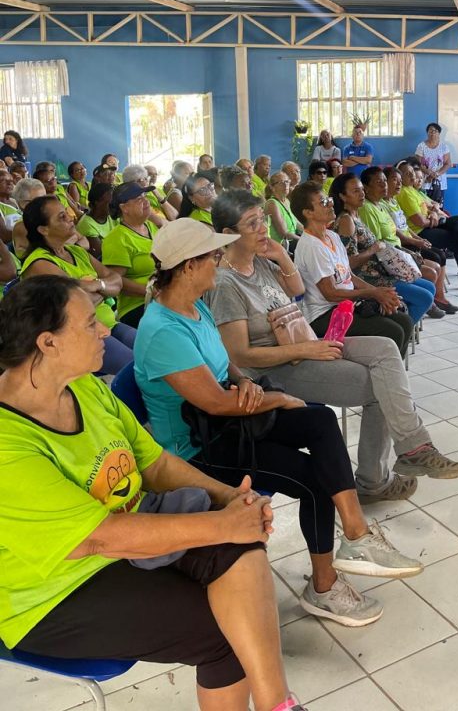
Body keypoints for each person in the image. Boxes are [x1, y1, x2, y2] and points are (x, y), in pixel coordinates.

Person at [0, 275, 310, 711]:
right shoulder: (8, 443)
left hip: (125, 541)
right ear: (48, 343)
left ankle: (278, 704)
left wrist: (229, 499)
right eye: (89, 323)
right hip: (53, 592)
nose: (104, 329)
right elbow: (97, 538)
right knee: (220, 633)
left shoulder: (83, 387)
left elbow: (155, 464)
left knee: (240, 544)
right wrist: (223, 522)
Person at [135, 218, 423, 627]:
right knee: (314, 479)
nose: (218, 262)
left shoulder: (196, 306)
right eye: (212, 256)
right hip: (200, 448)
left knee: (319, 420)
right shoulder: (163, 330)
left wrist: (242, 381)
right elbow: (215, 404)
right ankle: (325, 585)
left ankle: (356, 535)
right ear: (187, 267)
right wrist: (278, 397)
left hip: (232, 424)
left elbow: (225, 365)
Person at [206, 190, 458, 495]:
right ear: (229, 234)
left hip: (302, 343)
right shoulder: (225, 284)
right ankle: (376, 481)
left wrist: (281, 255)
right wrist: (307, 349)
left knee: (385, 348)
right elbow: (240, 355)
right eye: (252, 224)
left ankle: (413, 449)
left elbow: (295, 288)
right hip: (274, 369)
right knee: (379, 388)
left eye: (262, 220)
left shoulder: (259, 262)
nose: (263, 228)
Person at [289, 181, 414, 357]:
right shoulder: (312, 246)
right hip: (324, 314)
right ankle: (380, 370)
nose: (331, 204)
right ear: (308, 213)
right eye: (323, 203)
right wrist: (372, 293)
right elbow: (330, 294)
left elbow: (349, 276)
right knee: (393, 331)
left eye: (329, 200)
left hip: (345, 305)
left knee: (405, 322)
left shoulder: (331, 236)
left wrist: (380, 293)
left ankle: (389, 370)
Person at [20, 196, 137, 375]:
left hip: (108, 323)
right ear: (43, 229)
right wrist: (104, 290)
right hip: (79, 336)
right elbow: (75, 306)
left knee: (154, 351)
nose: (71, 217)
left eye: (67, 212)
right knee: (138, 367)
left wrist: (96, 285)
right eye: (62, 217)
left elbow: (117, 281)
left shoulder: (76, 251)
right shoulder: (39, 263)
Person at [331, 172, 436, 324]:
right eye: (355, 191)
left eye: (362, 189)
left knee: (429, 287)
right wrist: (373, 249)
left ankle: (402, 323)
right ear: (343, 196)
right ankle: (401, 330)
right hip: (369, 278)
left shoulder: (356, 215)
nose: (362, 194)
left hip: (381, 271)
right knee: (424, 297)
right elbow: (349, 263)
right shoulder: (346, 221)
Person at [396, 161, 458, 291]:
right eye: (407, 174)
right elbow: (420, 222)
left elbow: (432, 205)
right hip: (420, 232)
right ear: (400, 177)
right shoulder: (405, 193)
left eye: (412, 173)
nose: (412, 176)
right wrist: (434, 217)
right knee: (456, 228)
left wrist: (434, 213)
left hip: (429, 225)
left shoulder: (413, 190)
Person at [383, 165, 458, 315]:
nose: (399, 184)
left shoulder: (394, 202)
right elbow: (396, 231)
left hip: (409, 240)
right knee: (433, 266)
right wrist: (415, 242)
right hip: (400, 246)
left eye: (400, 181)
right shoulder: (383, 205)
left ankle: (437, 298)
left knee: (440, 255)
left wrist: (418, 238)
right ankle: (431, 302)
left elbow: (404, 226)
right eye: (394, 180)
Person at [101, 182, 159, 327]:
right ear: (124, 208)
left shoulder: (150, 226)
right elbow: (116, 280)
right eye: (139, 199)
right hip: (138, 306)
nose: (146, 201)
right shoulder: (117, 238)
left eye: (145, 196)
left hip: (162, 297)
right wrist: (152, 292)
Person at [76, 182, 116, 260]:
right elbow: (101, 255)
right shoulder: (87, 225)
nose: (114, 205)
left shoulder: (112, 216)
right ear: (97, 203)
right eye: (110, 203)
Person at [11, 178, 48, 260]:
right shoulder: (22, 226)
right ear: (24, 204)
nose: (47, 203)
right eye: (41, 200)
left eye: (46, 198)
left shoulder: (43, 220)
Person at [416, 122, 452, 205]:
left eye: (435, 131)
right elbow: (418, 163)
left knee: (438, 206)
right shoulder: (421, 146)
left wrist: (436, 174)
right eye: (430, 131)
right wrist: (429, 173)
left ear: (439, 133)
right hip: (424, 181)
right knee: (425, 206)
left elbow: (448, 163)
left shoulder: (444, 147)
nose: (433, 133)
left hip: (439, 182)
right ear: (427, 133)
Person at [265, 171, 302, 245]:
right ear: (272, 187)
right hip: (282, 244)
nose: (285, 185)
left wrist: (310, 234)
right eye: (281, 182)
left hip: (292, 239)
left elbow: (297, 224)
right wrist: (303, 240)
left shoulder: (287, 201)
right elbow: (284, 233)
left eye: (287, 181)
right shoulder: (272, 204)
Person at [0, 166, 20, 243]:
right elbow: (4, 236)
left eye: (11, 180)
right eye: (2, 180)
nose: (9, 183)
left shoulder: (14, 201)